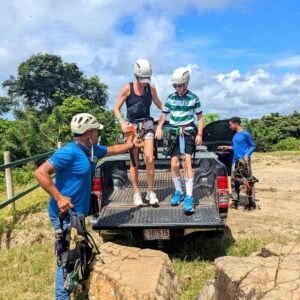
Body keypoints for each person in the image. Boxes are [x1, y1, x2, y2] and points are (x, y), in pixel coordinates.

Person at [34, 113, 142, 300]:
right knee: (66, 258)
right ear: (88, 133)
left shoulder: (91, 150)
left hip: (79, 213)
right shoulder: (68, 152)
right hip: (64, 214)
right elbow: (40, 172)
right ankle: (62, 297)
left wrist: (132, 145)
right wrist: (59, 197)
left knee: (79, 251)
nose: (98, 133)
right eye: (95, 130)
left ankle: (78, 283)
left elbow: (113, 149)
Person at [114, 59, 163, 207]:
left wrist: (165, 117)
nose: (144, 82)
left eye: (146, 79)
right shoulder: (127, 88)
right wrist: (122, 123)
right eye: (142, 79)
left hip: (146, 124)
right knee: (134, 161)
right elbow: (116, 108)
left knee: (149, 159)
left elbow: (161, 105)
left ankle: (150, 191)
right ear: (136, 76)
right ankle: (136, 193)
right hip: (132, 126)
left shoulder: (151, 88)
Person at [155, 67, 203, 213]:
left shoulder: (193, 98)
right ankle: (179, 192)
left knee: (186, 163)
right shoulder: (170, 98)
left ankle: (189, 196)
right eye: (175, 85)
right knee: (174, 164)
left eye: (180, 85)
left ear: (186, 83)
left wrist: (200, 134)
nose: (177, 88)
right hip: (173, 132)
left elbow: (200, 118)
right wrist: (159, 128)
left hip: (188, 131)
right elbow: (164, 115)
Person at [218, 116, 256, 209]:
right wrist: (226, 147)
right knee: (234, 181)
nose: (230, 127)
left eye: (230, 125)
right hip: (235, 161)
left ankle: (251, 203)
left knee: (247, 182)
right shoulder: (235, 135)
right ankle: (235, 202)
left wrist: (247, 154)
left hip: (244, 162)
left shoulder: (245, 134)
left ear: (236, 123)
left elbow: (253, 145)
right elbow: (236, 147)